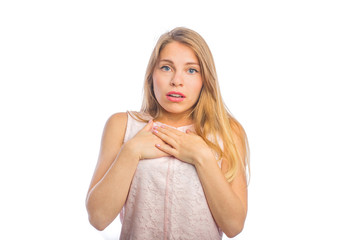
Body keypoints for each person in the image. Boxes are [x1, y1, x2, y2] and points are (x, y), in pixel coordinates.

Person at [86, 27, 250, 240]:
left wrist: (202, 157)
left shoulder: (228, 132)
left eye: (191, 70)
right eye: (166, 67)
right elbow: (98, 218)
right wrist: (132, 150)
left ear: (205, 79)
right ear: (151, 74)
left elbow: (234, 226)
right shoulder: (122, 125)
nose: (176, 81)